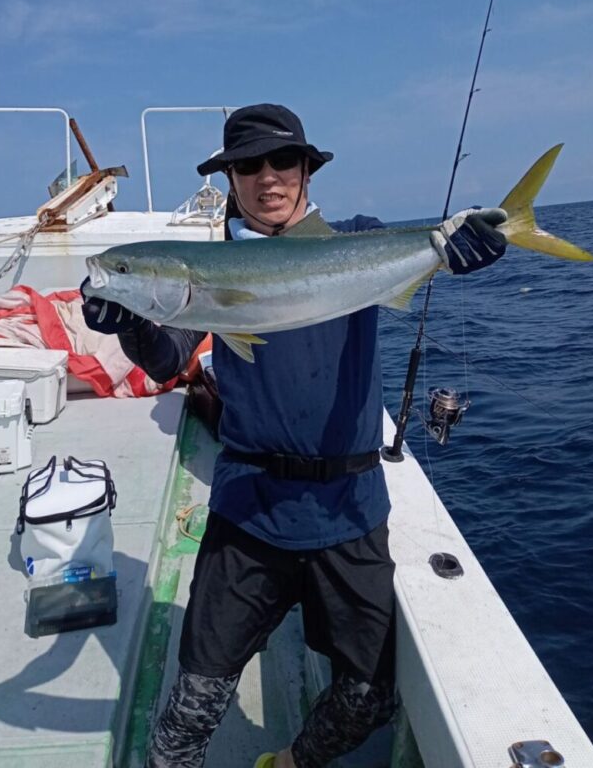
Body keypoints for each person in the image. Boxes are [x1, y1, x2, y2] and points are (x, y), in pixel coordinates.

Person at [81, 104, 507, 768]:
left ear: (307, 168)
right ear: (230, 180)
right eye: (248, 165)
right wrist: (130, 312)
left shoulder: (358, 238)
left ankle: (290, 763)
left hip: (350, 508)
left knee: (371, 696)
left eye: (283, 161)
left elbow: (432, 246)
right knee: (191, 707)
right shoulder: (207, 270)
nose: (268, 177)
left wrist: (462, 244)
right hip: (250, 509)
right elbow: (168, 360)